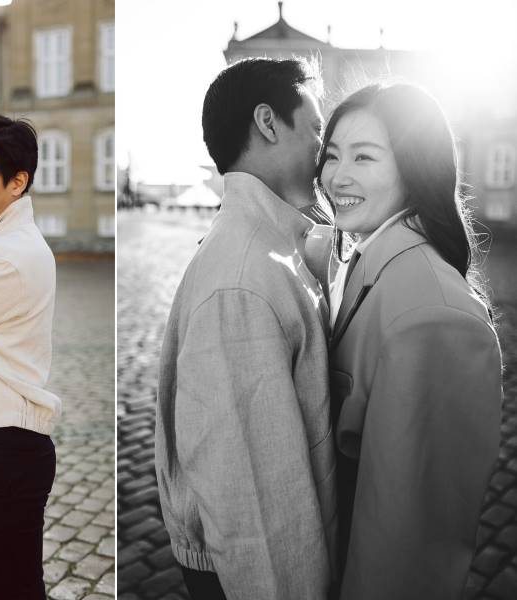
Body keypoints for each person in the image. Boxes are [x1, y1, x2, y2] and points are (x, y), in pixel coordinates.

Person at [155, 57, 337, 600]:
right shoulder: (242, 280)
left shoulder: (267, 248)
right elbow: (259, 505)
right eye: (316, 128)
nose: (323, 149)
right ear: (267, 122)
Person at [316, 82, 503, 600]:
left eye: (364, 156)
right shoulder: (370, 256)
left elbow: (409, 547)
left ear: (414, 166)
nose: (337, 176)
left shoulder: (434, 319)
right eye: (331, 156)